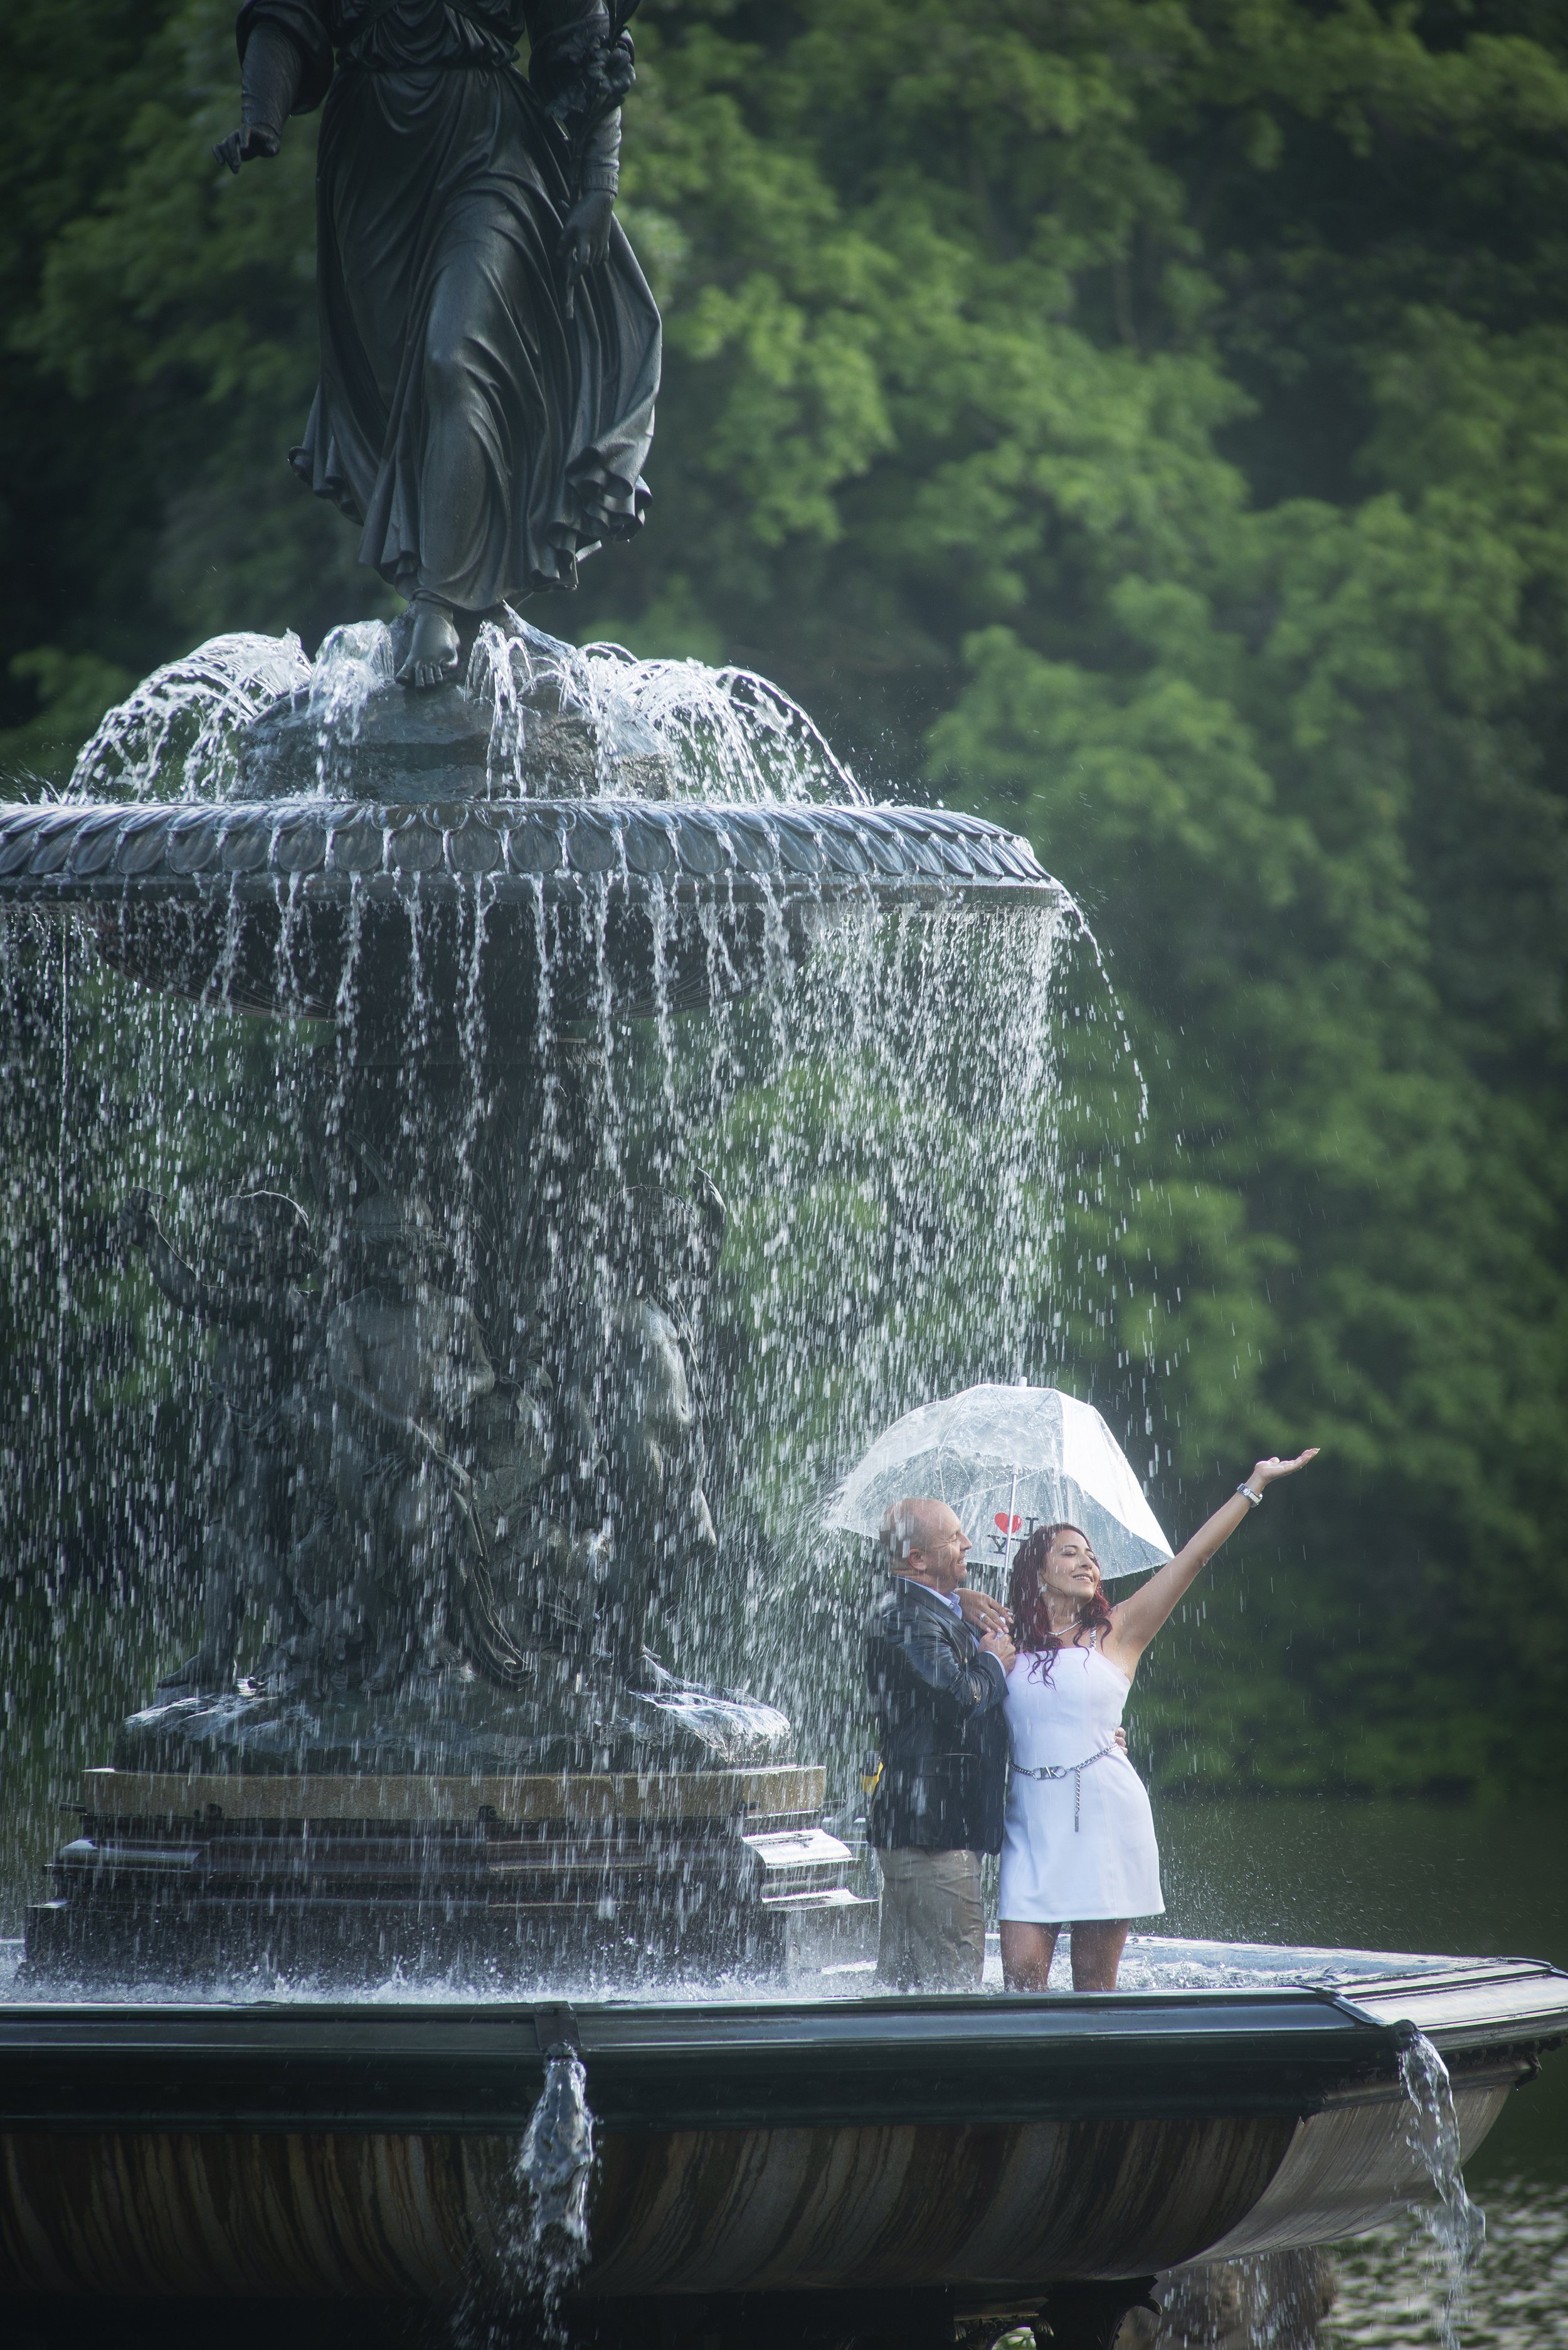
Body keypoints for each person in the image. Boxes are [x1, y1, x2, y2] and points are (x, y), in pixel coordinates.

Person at [216, 0, 660, 688]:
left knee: (456, 357)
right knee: (399, 392)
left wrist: (597, 186)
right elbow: (290, 13)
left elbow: (583, 37)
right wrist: (261, 113)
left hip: (489, 145)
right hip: (373, 164)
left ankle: (439, 603)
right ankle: (468, 583)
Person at [999, 1449, 1319, 1992]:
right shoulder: (1003, 1640)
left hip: (1103, 1814)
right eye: (1069, 1553)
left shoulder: (1117, 1631)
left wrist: (1254, 1485)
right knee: (1020, 1981)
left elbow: (1193, 1558)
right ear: (1037, 1572)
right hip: (1028, 1822)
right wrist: (966, 1599)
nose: (1087, 1562)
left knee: (1093, 1988)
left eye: (1091, 1556)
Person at [864, 1497, 1016, 1990]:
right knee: (955, 1988)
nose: (968, 1543)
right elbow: (957, 1697)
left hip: (930, 1828)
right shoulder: (906, 1616)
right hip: (933, 1833)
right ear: (918, 1560)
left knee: (905, 1988)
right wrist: (992, 1662)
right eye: (954, 1538)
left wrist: (957, 1600)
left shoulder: (918, 1607)